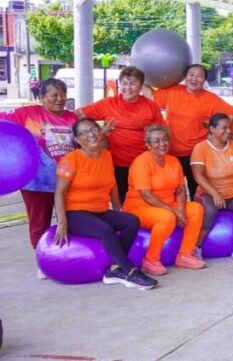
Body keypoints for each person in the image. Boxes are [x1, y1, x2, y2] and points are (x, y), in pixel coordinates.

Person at [53, 118, 156, 290]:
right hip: (75, 213)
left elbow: (113, 185)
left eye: (93, 129)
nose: (91, 135)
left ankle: (115, 269)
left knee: (131, 221)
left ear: (100, 132)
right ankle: (129, 271)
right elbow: (59, 192)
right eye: (84, 133)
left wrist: (118, 210)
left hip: (99, 210)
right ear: (77, 140)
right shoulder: (69, 160)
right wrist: (62, 222)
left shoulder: (106, 155)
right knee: (104, 229)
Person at [0, 78, 78, 255]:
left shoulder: (72, 117)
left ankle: (63, 255)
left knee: (69, 220)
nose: (60, 99)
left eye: (63, 94)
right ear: (42, 97)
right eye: (54, 95)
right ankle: (41, 256)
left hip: (67, 181)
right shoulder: (26, 113)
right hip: (37, 182)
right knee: (39, 222)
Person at [124, 125, 206, 276]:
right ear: (148, 145)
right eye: (156, 141)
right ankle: (151, 260)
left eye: (165, 139)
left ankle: (185, 255)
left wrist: (181, 209)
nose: (162, 144)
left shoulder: (173, 161)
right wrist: (175, 212)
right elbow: (146, 195)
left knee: (196, 209)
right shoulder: (141, 162)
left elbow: (181, 189)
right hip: (140, 207)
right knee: (166, 217)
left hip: (167, 205)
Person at [78, 67, 166, 200]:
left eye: (132, 83)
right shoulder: (108, 103)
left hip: (144, 162)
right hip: (116, 163)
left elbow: (162, 132)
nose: (128, 88)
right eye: (124, 83)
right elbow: (78, 114)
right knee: (121, 200)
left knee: (143, 199)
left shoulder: (150, 106)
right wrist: (98, 132)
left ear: (141, 86)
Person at [152, 64, 233, 198]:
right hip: (170, 151)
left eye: (199, 76)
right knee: (171, 190)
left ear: (204, 80)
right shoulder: (173, 91)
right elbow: (149, 100)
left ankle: (197, 216)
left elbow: (232, 113)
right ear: (185, 77)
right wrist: (144, 80)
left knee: (196, 191)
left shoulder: (210, 98)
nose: (194, 78)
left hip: (195, 153)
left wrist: (214, 129)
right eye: (191, 74)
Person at [190, 113, 233, 261]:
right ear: (212, 129)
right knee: (209, 209)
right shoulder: (201, 148)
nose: (229, 131)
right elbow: (198, 176)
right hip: (208, 193)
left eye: (230, 128)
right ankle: (196, 247)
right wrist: (215, 193)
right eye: (224, 128)